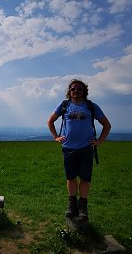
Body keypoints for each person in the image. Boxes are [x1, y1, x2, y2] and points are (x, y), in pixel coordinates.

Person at [47, 79, 111, 221]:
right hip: (68, 148)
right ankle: (72, 204)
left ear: (84, 91)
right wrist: (55, 137)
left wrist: (99, 141)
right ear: (69, 91)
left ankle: (82, 206)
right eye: (73, 89)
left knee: (85, 178)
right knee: (70, 177)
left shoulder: (91, 106)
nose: (76, 91)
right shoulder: (64, 105)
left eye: (79, 89)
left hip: (86, 148)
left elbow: (107, 125)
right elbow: (50, 121)